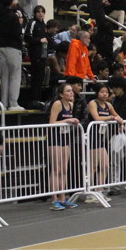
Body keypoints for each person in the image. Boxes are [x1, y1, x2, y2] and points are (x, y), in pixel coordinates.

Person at [86, 82, 124, 200]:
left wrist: (121, 123)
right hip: (92, 137)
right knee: (93, 166)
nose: (104, 94)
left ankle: (99, 191)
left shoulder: (108, 105)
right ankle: (89, 192)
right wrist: (112, 117)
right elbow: (97, 118)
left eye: (106, 92)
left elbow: (118, 117)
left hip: (102, 138)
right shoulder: (93, 103)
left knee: (105, 165)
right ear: (97, 93)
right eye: (102, 92)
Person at [47, 81, 80, 210]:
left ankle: (63, 198)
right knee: (56, 169)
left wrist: (73, 122)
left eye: (71, 90)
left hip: (65, 138)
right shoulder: (57, 104)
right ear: (61, 94)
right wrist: (67, 120)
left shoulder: (71, 104)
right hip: (55, 138)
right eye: (68, 91)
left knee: (64, 169)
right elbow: (52, 122)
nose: (71, 93)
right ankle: (54, 200)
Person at [0, 0, 25, 110]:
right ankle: (13, 103)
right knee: (15, 76)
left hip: (1, 46)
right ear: (11, 2)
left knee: (4, 76)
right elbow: (17, 33)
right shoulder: (14, 16)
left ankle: (4, 103)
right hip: (13, 47)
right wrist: (20, 23)